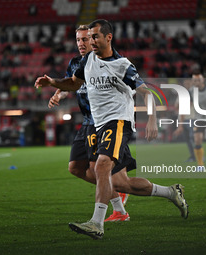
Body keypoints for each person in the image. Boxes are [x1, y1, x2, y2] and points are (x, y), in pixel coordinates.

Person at [35, 19, 188, 240]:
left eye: (95, 37)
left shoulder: (122, 64)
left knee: (102, 164)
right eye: (89, 37)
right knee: (119, 182)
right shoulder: (87, 60)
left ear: (108, 38)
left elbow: (146, 92)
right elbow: (74, 84)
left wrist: (152, 118)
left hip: (118, 121)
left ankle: (97, 223)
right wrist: (53, 83)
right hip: (97, 124)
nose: (91, 41)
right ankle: (170, 192)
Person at [48, 25, 132, 222]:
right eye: (78, 40)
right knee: (75, 167)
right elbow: (70, 83)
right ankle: (115, 192)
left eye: (85, 39)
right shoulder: (77, 63)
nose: (81, 44)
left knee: (100, 167)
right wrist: (57, 93)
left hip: (103, 120)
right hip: (87, 121)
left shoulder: (110, 61)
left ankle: (117, 209)